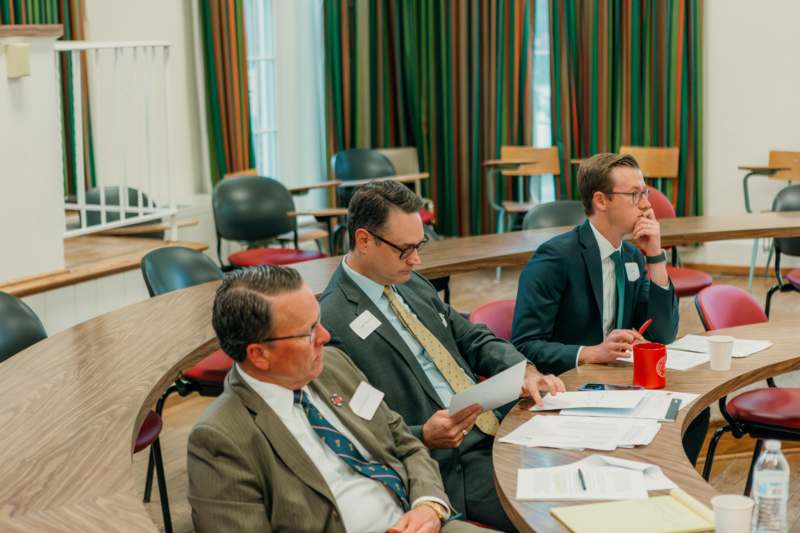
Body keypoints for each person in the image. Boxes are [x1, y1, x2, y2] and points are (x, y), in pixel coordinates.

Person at [320, 180, 564, 531]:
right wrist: (423, 435)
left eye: (419, 245)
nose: (416, 259)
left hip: (499, 426)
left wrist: (524, 370)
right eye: (405, 249)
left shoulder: (411, 281)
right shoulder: (332, 321)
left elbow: (472, 337)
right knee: (556, 517)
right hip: (453, 463)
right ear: (363, 240)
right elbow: (351, 427)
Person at [188, 265, 488, 533]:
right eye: (307, 332)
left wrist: (428, 504)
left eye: (318, 321)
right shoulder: (220, 438)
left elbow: (404, 443)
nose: (325, 336)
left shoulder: (333, 365)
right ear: (259, 354)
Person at [510, 152, 708, 464]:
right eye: (635, 195)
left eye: (645, 193)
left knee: (693, 416)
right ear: (601, 200)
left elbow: (663, 333)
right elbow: (523, 344)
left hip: (615, 384)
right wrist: (590, 352)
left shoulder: (629, 256)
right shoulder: (556, 258)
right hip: (569, 387)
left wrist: (655, 256)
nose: (646, 205)